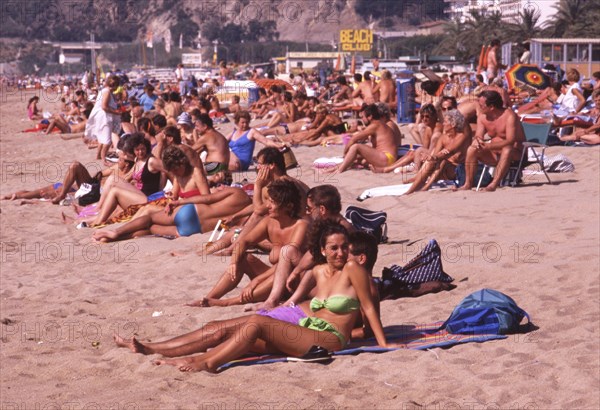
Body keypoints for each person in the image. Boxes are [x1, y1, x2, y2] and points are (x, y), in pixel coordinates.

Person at [127, 221, 391, 372]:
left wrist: (384, 345)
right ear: (322, 250)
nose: (341, 252)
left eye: (344, 247)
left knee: (257, 322)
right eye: (334, 248)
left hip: (328, 340)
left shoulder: (353, 269)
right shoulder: (319, 271)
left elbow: (368, 310)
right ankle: (156, 347)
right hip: (303, 332)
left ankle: (206, 362)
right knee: (223, 329)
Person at [188, 179, 308, 307]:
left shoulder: (301, 225)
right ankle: (210, 298)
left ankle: (228, 302)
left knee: (280, 271)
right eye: (268, 201)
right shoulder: (269, 222)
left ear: (288, 206)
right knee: (244, 258)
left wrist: (256, 280)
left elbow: (285, 266)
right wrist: (234, 262)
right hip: (271, 279)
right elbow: (244, 241)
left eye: (272, 202)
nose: (267, 206)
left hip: (292, 282)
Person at [90, 133, 164, 226]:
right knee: (113, 180)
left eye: (143, 149)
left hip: (147, 198)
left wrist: (164, 189)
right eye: (137, 150)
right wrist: (122, 185)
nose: (140, 152)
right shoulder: (138, 160)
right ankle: (98, 212)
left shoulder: (151, 161)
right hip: (138, 195)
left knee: (115, 189)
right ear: (133, 150)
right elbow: (128, 176)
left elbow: (168, 170)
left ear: (147, 148)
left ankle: (98, 214)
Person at [459, 90, 525, 192]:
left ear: (491, 107)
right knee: (472, 149)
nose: (479, 107)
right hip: (494, 154)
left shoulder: (509, 115)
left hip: (516, 154)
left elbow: (510, 140)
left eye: (481, 105)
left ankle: (493, 184)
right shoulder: (482, 117)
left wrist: (489, 146)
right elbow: (478, 136)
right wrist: (478, 141)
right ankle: (468, 183)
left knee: (507, 149)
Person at [405, 109, 470, 194]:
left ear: (453, 124)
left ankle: (426, 186)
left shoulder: (461, 136)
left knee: (442, 161)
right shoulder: (443, 138)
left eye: (445, 122)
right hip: (443, 170)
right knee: (433, 161)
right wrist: (431, 157)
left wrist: (435, 157)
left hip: (456, 170)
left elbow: (449, 151)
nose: (443, 124)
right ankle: (412, 189)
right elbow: (437, 153)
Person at [331, 104, 397, 174]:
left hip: (387, 159)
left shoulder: (375, 125)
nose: (362, 119)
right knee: (355, 157)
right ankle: (333, 169)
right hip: (388, 158)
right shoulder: (380, 124)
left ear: (370, 117)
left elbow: (353, 139)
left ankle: (339, 171)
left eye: (362, 117)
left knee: (356, 147)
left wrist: (344, 153)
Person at [84, 76, 121, 164]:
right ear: (115, 85)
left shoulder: (104, 91)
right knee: (107, 141)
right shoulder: (107, 92)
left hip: (101, 117)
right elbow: (104, 106)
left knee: (102, 138)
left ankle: (98, 156)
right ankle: (104, 159)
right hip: (104, 117)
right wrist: (116, 112)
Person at [191, 114, 230, 183]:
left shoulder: (206, 136)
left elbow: (190, 151)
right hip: (224, 167)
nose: (195, 129)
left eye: (197, 126)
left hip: (214, 167)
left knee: (189, 168)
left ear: (205, 126)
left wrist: (194, 135)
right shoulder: (218, 135)